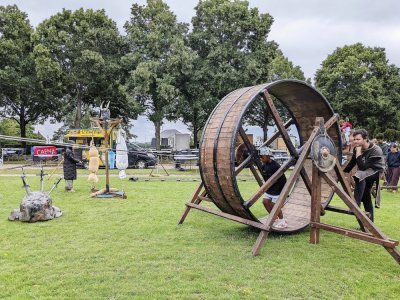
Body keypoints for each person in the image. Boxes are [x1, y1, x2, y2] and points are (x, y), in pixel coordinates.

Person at [343, 129, 385, 222]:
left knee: (359, 175)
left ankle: (355, 205)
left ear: (365, 139)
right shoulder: (356, 148)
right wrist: (341, 173)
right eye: (354, 139)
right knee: (366, 196)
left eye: (358, 139)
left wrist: (358, 152)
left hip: (376, 172)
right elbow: (352, 163)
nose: (355, 141)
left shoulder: (376, 150)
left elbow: (362, 167)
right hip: (365, 172)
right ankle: (370, 224)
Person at [259, 146, 288, 229]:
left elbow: (282, 179)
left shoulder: (275, 166)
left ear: (268, 156)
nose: (260, 158)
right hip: (270, 189)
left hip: (278, 189)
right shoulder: (263, 166)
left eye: (262, 156)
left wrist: (284, 192)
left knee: (275, 205)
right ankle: (274, 218)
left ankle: (282, 221)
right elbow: (265, 178)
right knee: (265, 202)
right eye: (260, 156)